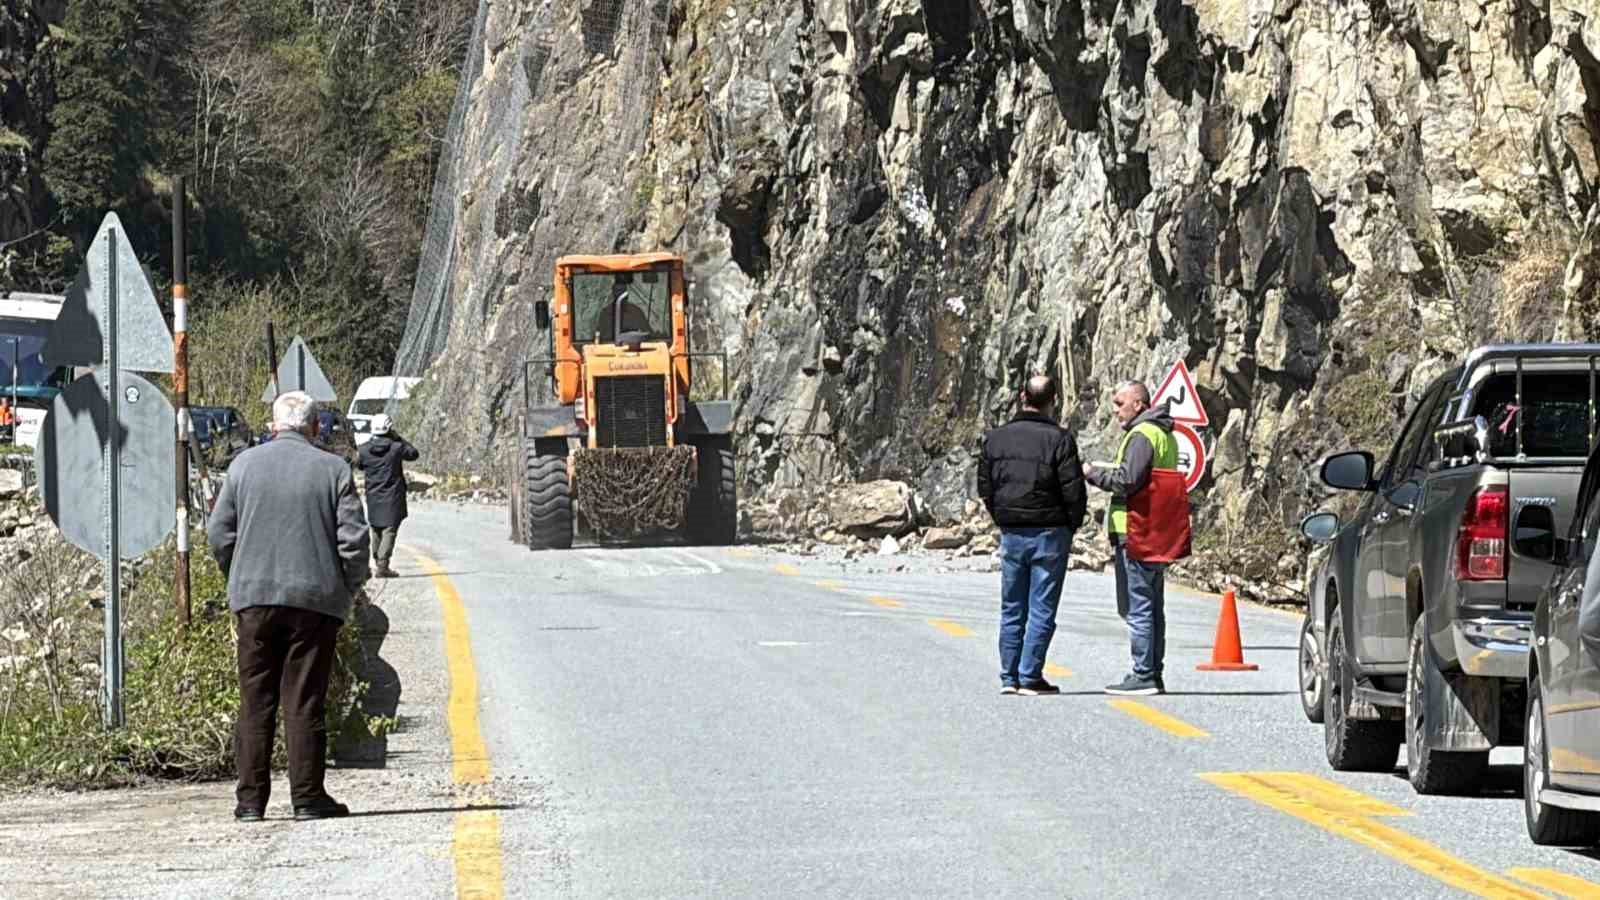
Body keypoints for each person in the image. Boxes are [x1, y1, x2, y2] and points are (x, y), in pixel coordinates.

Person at [207, 390, 370, 822]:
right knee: (304, 699)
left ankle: (250, 801)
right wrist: (347, 589)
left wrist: (239, 577)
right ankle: (308, 797)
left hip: (254, 602)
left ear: (273, 426)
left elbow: (219, 534)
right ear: (316, 428)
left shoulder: (242, 467)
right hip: (315, 603)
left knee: (255, 699)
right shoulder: (334, 470)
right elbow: (354, 542)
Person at [977, 374, 1087, 696]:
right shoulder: (1060, 439)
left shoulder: (995, 438)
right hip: (1051, 532)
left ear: (1022, 396)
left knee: (1012, 606)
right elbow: (1073, 490)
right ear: (1054, 401)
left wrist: (1002, 516)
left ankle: (1008, 676)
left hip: (1012, 531)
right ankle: (1029, 676)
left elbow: (985, 486)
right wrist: (1071, 524)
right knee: (1042, 608)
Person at [1085, 381, 1193, 696]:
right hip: (1156, 529)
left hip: (1135, 530)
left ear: (1139, 404)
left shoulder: (1142, 435)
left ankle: (1143, 673)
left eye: (1120, 403)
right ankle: (1153, 671)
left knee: (1138, 605)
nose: (1115, 410)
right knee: (1153, 604)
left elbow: (1127, 480)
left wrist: (1092, 473)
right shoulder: (1165, 435)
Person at [357, 413, 419, 578]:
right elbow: (413, 454)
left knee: (376, 527)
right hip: (393, 494)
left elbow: (360, 465)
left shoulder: (363, 449)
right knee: (390, 528)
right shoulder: (396, 447)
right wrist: (398, 438)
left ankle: (377, 560)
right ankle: (383, 565)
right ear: (389, 428)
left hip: (373, 494)